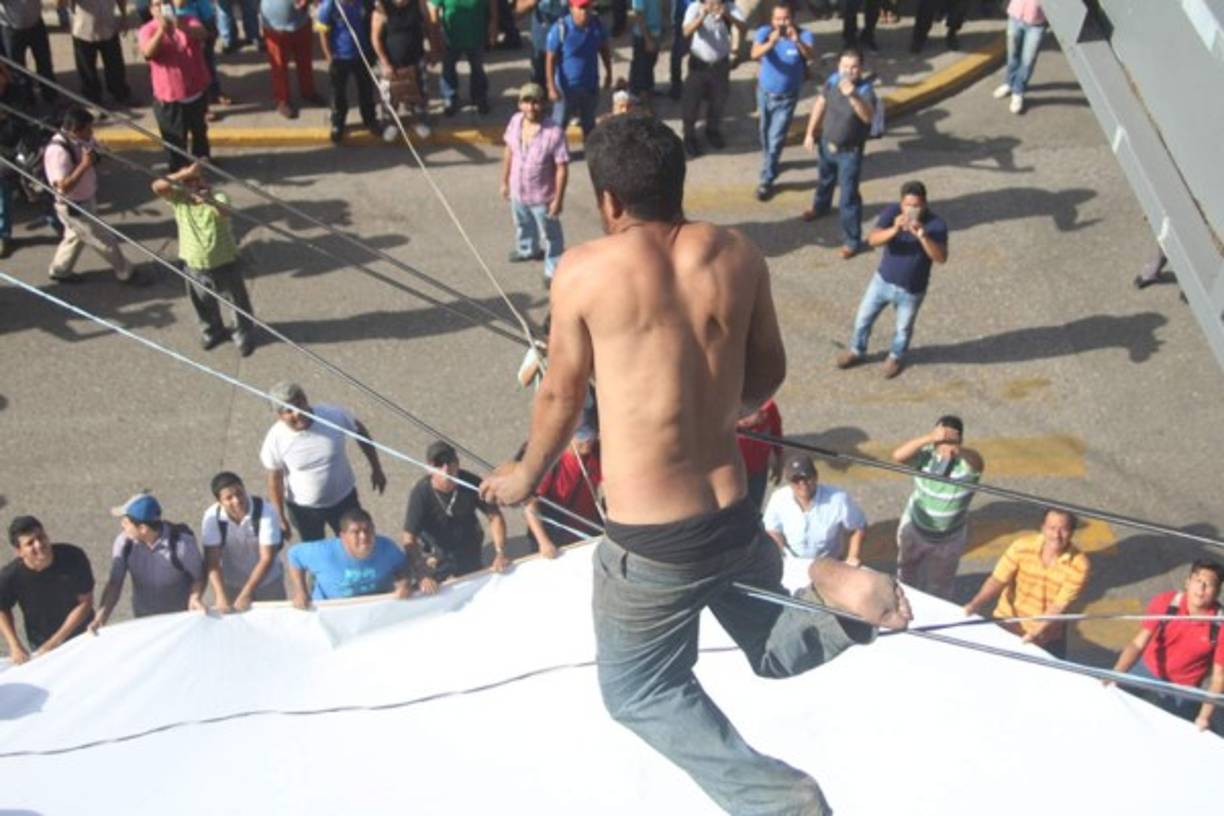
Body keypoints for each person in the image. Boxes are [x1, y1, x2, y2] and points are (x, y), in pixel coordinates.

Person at [478, 113, 911, 815]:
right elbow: (767, 373)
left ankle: (778, 799)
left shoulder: (585, 270)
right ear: (678, 184)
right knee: (774, 647)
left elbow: (559, 392)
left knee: (639, 690)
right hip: (733, 516)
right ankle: (841, 601)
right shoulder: (738, 254)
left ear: (610, 202)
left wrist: (524, 474)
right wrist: (707, 405)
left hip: (653, 546)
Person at [834, 179, 947, 378]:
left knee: (903, 329)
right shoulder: (891, 212)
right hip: (882, 282)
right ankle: (856, 350)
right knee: (862, 319)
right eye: (908, 205)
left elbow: (940, 258)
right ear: (901, 203)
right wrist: (894, 229)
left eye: (917, 206)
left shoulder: (936, 224)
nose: (912, 210)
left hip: (911, 290)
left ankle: (894, 357)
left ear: (925, 204)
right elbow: (873, 239)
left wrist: (922, 236)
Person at [260, 382, 388, 543]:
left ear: (306, 400)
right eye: (288, 411)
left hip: (344, 500)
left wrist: (376, 468)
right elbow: (275, 480)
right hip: (304, 510)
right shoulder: (275, 439)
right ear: (279, 416)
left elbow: (360, 432)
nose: (297, 413)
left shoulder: (333, 416)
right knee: (316, 553)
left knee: (355, 543)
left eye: (299, 404)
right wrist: (280, 516)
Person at [152, 161, 256, 356]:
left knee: (237, 301)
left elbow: (224, 211)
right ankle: (212, 331)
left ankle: (243, 333)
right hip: (194, 264)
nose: (193, 186)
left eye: (196, 181)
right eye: (187, 182)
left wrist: (208, 198)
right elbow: (157, 187)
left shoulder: (218, 196)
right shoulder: (179, 199)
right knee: (202, 302)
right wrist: (184, 173)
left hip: (224, 261)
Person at [1108, 560, 1224, 733]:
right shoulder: (1167, 601)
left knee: (1179, 731)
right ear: (1187, 582)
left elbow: (1218, 678)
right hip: (1146, 668)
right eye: (1197, 581)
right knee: (1111, 701)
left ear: (1218, 592)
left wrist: (1204, 717)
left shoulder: (1219, 625)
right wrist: (1116, 673)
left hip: (1183, 686)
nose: (1201, 589)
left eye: (1209, 585)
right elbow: (1138, 643)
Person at [962, 508, 1089, 658]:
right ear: (1042, 528)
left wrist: (1035, 633)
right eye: (1052, 528)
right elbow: (998, 579)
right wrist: (975, 604)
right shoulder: (1021, 547)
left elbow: (1059, 606)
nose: (1056, 535)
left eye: (1063, 530)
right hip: (1008, 622)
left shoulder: (1079, 565)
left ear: (1072, 532)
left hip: (1047, 635)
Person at [44, 106, 144, 286]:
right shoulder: (57, 152)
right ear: (75, 130)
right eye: (88, 129)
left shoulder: (83, 139)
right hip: (74, 206)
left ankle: (60, 270)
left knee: (75, 236)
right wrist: (84, 165)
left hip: (86, 198)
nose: (92, 133)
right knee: (104, 240)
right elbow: (63, 188)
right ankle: (125, 271)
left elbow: (95, 152)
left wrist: (102, 154)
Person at [890, 416, 983, 598]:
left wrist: (957, 449)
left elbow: (978, 462)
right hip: (915, 530)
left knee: (940, 587)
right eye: (939, 442)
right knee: (906, 574)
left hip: (948, 540)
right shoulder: (926, 455)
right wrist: (929, 439)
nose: (942, 450)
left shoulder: (966, 466)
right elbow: (898, 456)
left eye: (947, 442)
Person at [91, 493, 207, 631]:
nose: (122, 525)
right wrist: (100, 618)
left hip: (179, 621)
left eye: (126, 522)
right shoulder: (124, 543)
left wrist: (195, 598)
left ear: (143, 529)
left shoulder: (182, 544)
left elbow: (199, 577)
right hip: (145, 621)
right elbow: (115, 584)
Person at [801, 47, 876, 259]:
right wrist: (809, 133)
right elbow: (820, 104)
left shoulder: (865, 91)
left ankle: (852, 240)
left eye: (853, 67)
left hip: (849, 152)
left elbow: (867, 117)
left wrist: (852, 95)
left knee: (848, 197)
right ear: (838, 66)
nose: (848, 71)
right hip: (827, 144)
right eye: (844, 66)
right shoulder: (833, 81)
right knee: (824, 180)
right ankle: (820, 207)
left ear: (861, 69)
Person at [402, 440, 509, 585]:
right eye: (439, 464)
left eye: (449, 461)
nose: (446, 469)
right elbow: (408, 537)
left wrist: (500, 552)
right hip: (437, 553)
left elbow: (494, 515)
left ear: (457, 463)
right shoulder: (421, 493)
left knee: (473, 584)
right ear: (429, 468)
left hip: (468, 547)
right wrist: (422, 573)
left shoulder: (470, 482)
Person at [0, 516, 95, 664]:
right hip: (41, 644)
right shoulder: (10, 576)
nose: (39, 545)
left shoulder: (73, 557)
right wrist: (14, 645)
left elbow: (85, 602)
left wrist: (56, 641)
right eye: (30, 543)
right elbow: (2, 608)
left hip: (83, 635)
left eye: (41, 537)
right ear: (19, 551)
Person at [501, 81, 568, 285]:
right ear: (520, 104)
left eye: (536, 102)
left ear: (544, 104)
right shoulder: (515, 121)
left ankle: (552, 268)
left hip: (542, 197)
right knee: (522, 224)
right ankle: (527, 249)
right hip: (518, 192)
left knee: (551, 236)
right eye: (526, 102)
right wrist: (504, 181)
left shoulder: (554, 132)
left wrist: (558, 200)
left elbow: (562, 168)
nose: (531, 107)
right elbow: (509, 151)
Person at [751, 2, 814, 201]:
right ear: (772, 20)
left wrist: (797, 42)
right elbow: (754, 54)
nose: (782, 23)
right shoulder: (764, 32)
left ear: (793, 19)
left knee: (776, 136)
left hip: (787, 98)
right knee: (764, 131)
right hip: (765, 93)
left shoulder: (804, 35)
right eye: (778, 19)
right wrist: (771, 42)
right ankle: (771, 159)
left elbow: (811, 55)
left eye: (786, 18)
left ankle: (767, 179)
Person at [287, 508, 411, 607]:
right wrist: (300, 590)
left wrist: (404, 584)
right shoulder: (324, 552)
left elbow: (402, 567)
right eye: (356, 532)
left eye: (367, 530)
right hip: (331, 609)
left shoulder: (387, 547)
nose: (363, 536)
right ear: (343, 536)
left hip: (376, 608)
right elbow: (294, 556)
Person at [200, 471, 287, 611]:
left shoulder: (266, 512)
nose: (237, 500)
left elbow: (267, 558)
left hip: (268, 582)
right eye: (229, 498)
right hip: (232, 583)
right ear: (219, 501)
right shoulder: (212, 518)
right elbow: (212, 561)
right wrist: (220, 595)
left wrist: (247, 592)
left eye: (239, 493)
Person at [140, 0, 211, 171]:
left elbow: (202, 34)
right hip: (170, 97)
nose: (162, 8)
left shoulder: (187, 19)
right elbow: (148, 52)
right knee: (175, 140)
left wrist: (180, 26)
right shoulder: (147, 30)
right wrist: (161, 31)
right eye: (157, 4)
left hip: (195, 90)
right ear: (151, 10)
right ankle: (180, 171)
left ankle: (201, 162)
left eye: (165, 3)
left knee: (199, 131)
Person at [763, 455, 866, 564]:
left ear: (816, 476)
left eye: (807, 477)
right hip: (791, 564)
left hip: (829, 563)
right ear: (789, 482)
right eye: (796, 479)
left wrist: (852, 557)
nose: (802, 483)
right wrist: (779, 552)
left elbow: (858, 527)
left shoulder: (838, 499)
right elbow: (771, 529)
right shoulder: (778, 498)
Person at [679, 0, 745, 158]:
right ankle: (689, 136)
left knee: (718, 101)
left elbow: (743, 28)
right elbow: (686, 32)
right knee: (691, 103)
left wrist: (728, 16)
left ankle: (712, 130)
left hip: (720, 65)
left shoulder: (730, 7)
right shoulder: (695, 7)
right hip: (698, 65)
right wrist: (702, 16)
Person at [524, 425, 602, 557]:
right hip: (556, 537)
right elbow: (530, 506)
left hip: (589, 530)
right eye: (581, 437)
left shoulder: (597, 452)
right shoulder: (550, 464)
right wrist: (544, 542)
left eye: (591, 435)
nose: (588, 441)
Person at [372, 0, 439, 139]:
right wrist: (384, 63)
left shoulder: (419, 3)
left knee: (419, 92)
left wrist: (433, 49)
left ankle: (420, 120)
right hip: (391, 62)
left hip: (416, 58)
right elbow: (375, 38)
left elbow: (429, 26)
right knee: (389, 96)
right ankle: (390, 123)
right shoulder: (382, 8)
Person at [545, 0, 612, 138]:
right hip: (566, 89)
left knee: (589, 125)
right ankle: (554, 156)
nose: (584, 11)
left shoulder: (597, 26)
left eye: (587, 7)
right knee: (558, 126)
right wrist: (551, 87)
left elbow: (604, 50)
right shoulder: (561, 29)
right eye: (580, 8)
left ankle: (590, 153)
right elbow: (550, 59)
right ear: (571, 8)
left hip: (590, 86)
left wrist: (609, 73)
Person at [317, 0, 380, 143]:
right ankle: (338, 123)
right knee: (338, 93)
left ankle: (370, 119)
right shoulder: (330, 5)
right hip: (340, 58)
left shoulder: (364, 3)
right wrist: (328, 57)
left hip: (362, 55)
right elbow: (322, 31)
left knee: (366, 90)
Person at [429, 0, 495, 116]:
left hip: (477, 35)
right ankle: (450, 98)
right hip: (450, 37)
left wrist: (494, 25)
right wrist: (436, 36)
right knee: (448, 68)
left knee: (477, 68)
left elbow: (493, 3)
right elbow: (433, 9)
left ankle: (479, 97)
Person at [261, 0, 324, 119]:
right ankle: (282, 99)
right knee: (279, 65)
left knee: (305, 60)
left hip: (300, 22)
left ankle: (308, 91)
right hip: (275, 26)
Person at [66, 0, 134, 107]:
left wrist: (124, 16)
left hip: (108, 27)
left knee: (115, 66)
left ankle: (120, 94)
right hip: (84, 31)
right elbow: (61, 3)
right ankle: (93, 102)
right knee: (87, 71)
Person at [991, 0, 1044, 114]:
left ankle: (1018, 91)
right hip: (1015, 16)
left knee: (1028, 60)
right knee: (1012, 55)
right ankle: (1009, 82)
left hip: (1037, 22)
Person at [0, 0, 57, 107]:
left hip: (36, 25)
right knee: (18, 69)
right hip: (11, 29)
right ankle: (27, 100)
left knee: (45, 63)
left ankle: (50, 95)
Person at [735, 397, 781, 508]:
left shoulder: (768, 407)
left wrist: (779, 462)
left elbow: (776, 434)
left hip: (758, 471)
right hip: (732, 475)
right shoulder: (722, 411)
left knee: (755, 508)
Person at [517, 0, 566, 86]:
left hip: (567, 44)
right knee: (538, 86)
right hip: (541, 43)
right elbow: (518, 11)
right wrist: (530, 2)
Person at [627, 0, 662, 100]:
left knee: (650, 65)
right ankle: (638, 95)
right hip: (643, 36)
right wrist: (648, 39)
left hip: (655, 32)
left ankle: (649, 90)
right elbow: (639, 14)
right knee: (641, 67)